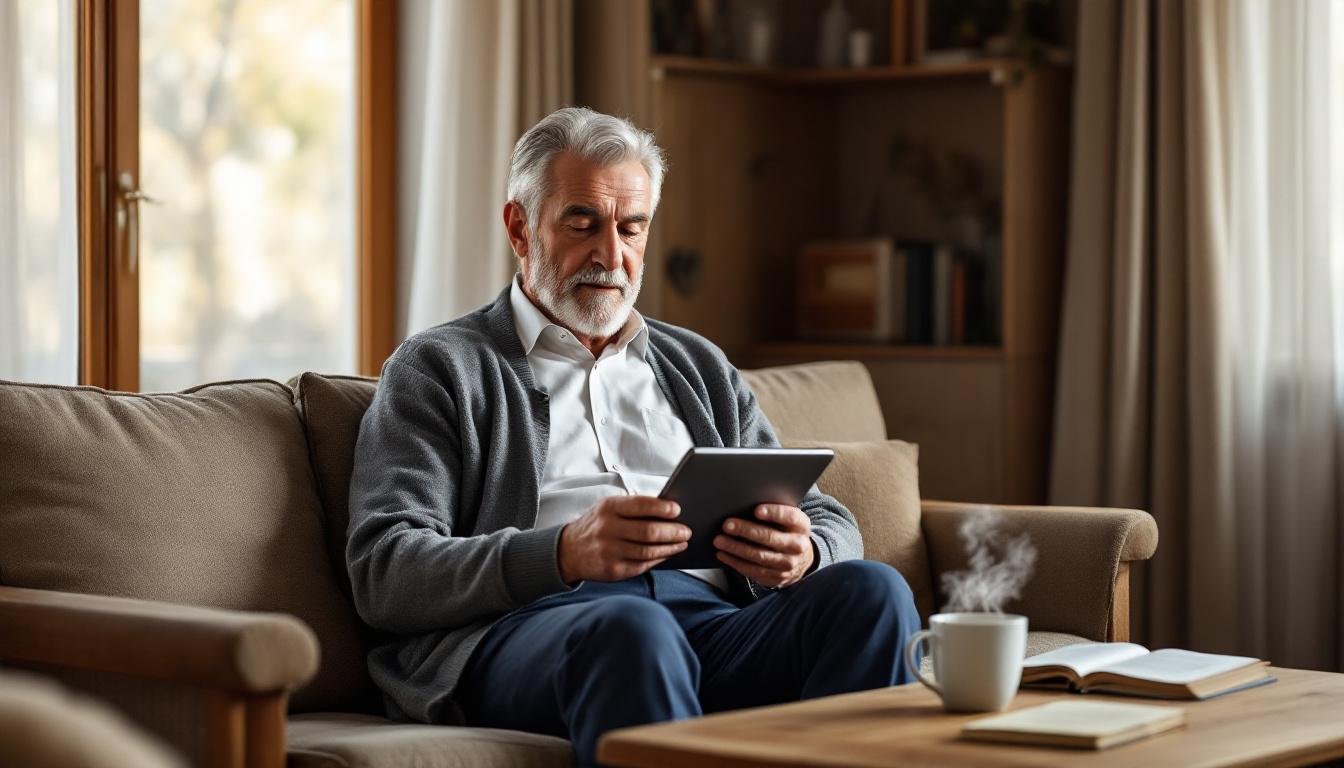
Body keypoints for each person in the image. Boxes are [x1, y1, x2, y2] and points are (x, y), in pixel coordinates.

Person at [348, 107, 921, 767]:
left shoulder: (697, 365)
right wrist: (562, 552)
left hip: (711, 627)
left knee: (872, 593)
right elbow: (385, 570)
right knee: (631, 630)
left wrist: (806, 553)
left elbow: (826, 515)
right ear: (520, 227)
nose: (610, 255)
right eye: (582, 224)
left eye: (631, 227)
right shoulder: (440, 368)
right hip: (531, 630)